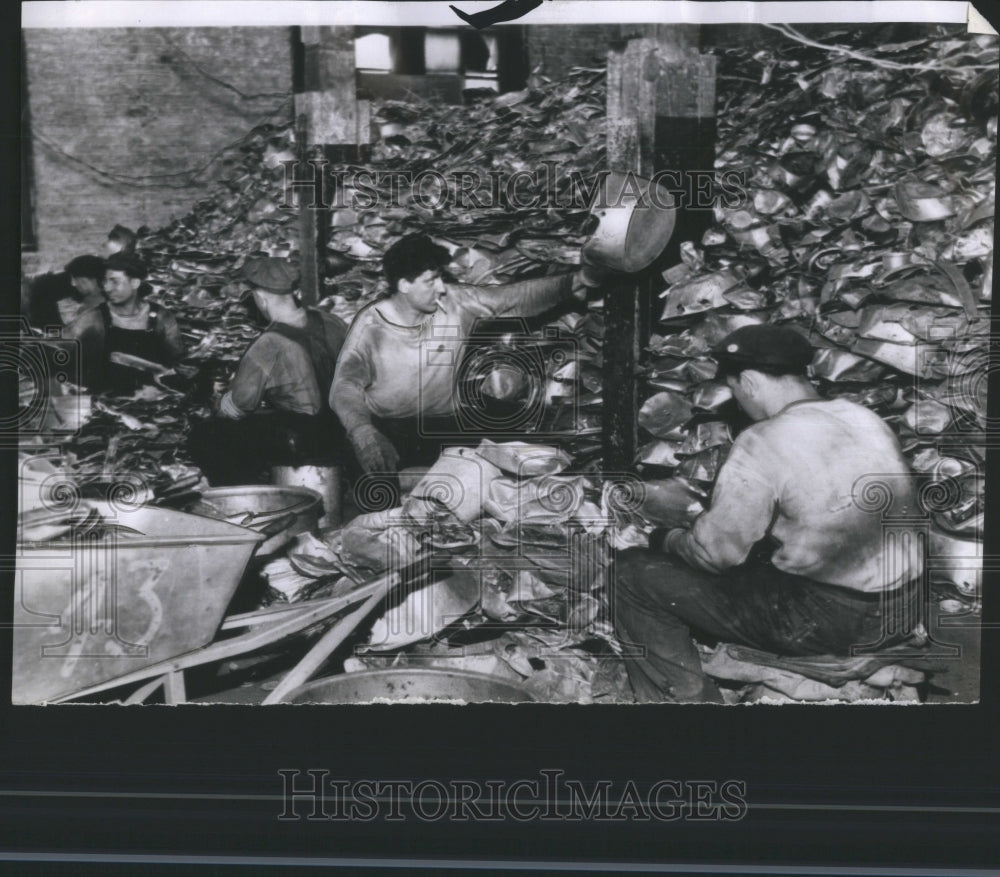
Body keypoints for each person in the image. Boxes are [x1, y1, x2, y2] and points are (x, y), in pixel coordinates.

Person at [614, 324, 925, 703]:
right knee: (764, 558)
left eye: (734, 388)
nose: (738, 399)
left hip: (831, 620)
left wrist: (667, 538)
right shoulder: (863, 418)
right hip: (904, 606)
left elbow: (715, 556)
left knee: (632, 574)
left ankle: (682, 706)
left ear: (748, 381)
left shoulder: (762, 439)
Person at [331, 233, 588, 473]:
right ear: (404, 285)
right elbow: (345, 385)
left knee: (523, 447)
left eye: (440, 278)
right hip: (391, 427)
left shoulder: (454, 302)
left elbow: (512, 299)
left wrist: (573, 282)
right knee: (379, 474)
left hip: (445, 422)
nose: (441, 288)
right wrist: (362, 431)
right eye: (431, 281)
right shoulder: (372, 325)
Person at [187, 257, 348, 486]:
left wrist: (216, 403)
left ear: (260, 298)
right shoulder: (331, 321)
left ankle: (244, 503)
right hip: (344, 427)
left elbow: (238, 407)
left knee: (207, 436)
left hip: (306, 439)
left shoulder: (268, 345)